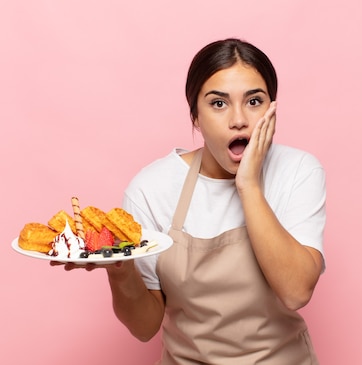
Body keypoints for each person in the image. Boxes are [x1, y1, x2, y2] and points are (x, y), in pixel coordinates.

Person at [55, 38, 327, 364]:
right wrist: (119, 269)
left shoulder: (298, 172)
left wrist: (249, 186)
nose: (239, 119)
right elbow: (144, 327)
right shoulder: (151, 188)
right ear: (195, 116)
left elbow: (296, 292)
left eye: (254, 101)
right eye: (218, 103)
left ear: (272, 110)